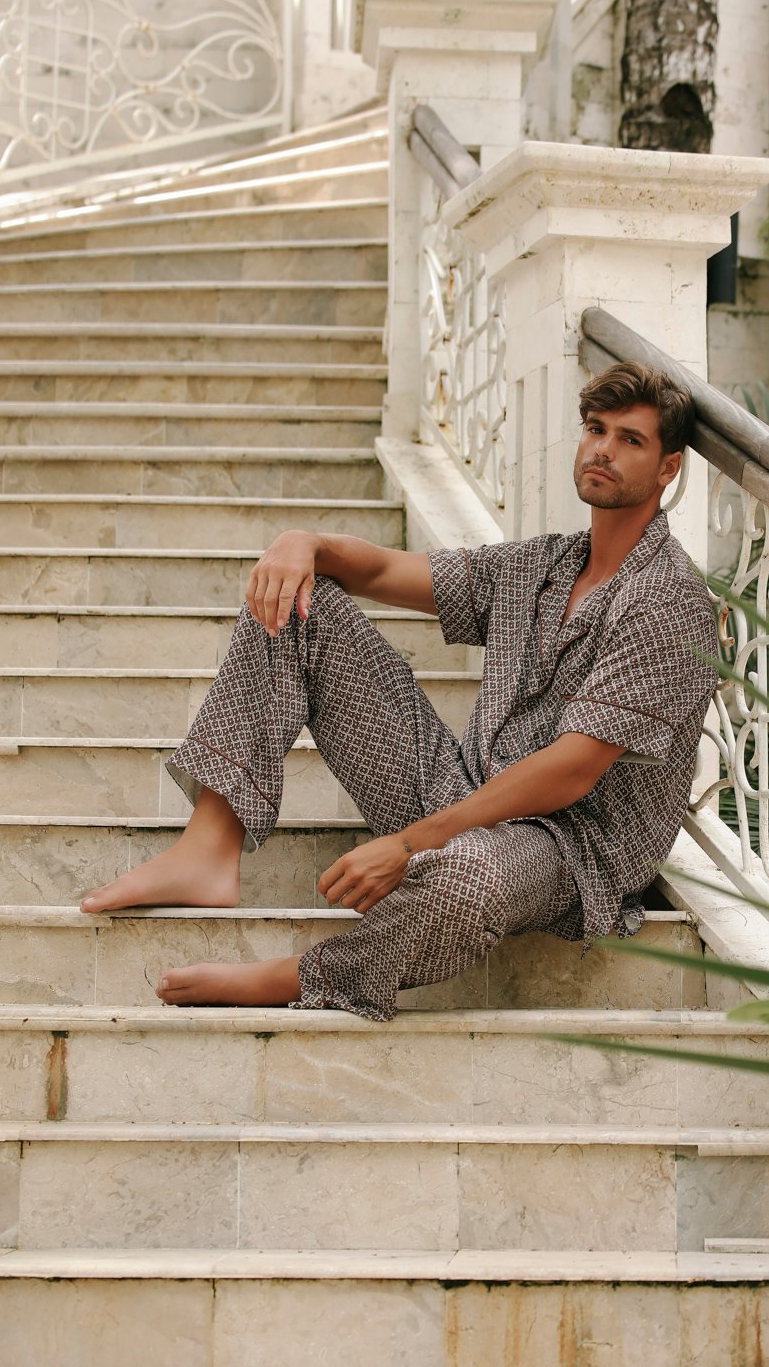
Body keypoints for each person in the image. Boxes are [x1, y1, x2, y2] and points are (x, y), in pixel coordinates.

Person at [79, 361, 720, 1017]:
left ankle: (304, 976)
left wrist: (412, 842)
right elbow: (385, 571)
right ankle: (208, 847)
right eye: (595, 429)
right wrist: (304, 543)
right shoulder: (541, 564)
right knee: (299, 603)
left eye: (630, 440)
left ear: (667, 468)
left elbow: (574, 769)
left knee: (468, 879)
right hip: (460, 791)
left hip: (565, 851)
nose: (603, 450)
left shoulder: (668, 601)